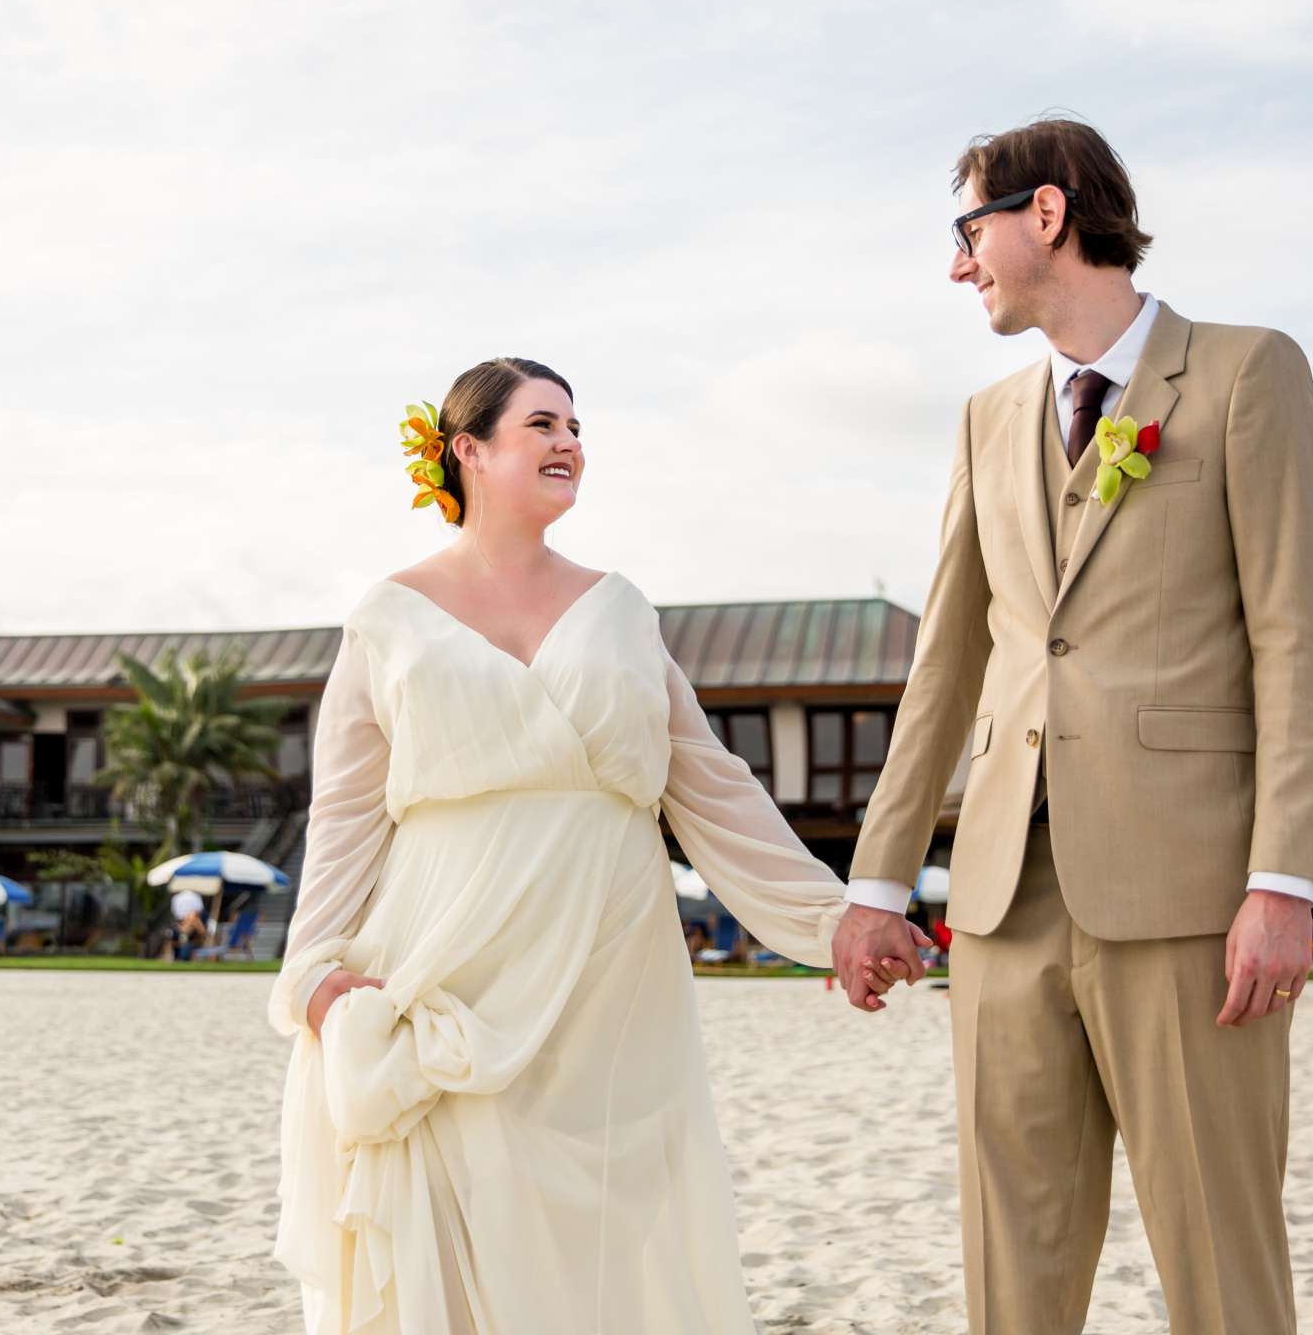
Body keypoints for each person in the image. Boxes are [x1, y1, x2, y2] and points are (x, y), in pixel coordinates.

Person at [837, 118, 1313, 1334]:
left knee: (1220, 1258)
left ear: (1047, 216)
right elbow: (947, 662)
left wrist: (1285, 879)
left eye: (970, 231)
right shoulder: (983, 419)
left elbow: (1297, 637)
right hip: (1006, 900)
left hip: (1192, 897)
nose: (961, 266)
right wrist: (878, 878)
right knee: (1010, 1263)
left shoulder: (1245, 372)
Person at [271, 358, 888, 1333]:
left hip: (610, 967)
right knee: (460, 1202)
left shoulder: (620, 608)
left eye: (577, 427)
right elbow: (345, 810)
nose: (570, 443)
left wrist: (831, 918)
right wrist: (308, 970)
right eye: (542, 424)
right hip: (448, 952)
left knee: (602, 1233)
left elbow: (711, 782)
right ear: (465, 450)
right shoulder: (387, 618)